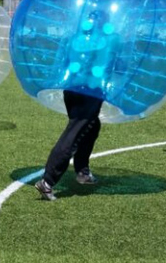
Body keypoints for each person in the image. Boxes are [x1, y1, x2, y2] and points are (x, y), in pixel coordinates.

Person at [34, 11, 115, 201]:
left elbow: (62, 60)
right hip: (90, 90)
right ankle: (47, 181)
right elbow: (112, 65)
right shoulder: (105, 41)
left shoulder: (75, 38)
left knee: (92, 126)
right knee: (75, 132)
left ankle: (82, 171)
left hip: (71, 90)